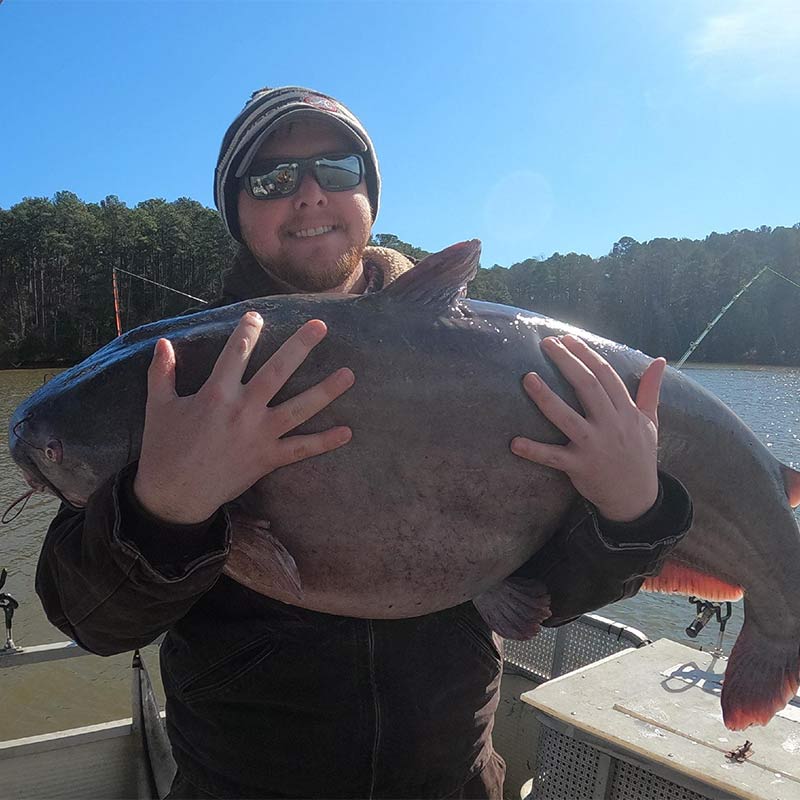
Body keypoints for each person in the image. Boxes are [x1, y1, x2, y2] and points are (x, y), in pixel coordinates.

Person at [36, 86, 692, 799]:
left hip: (455, 783)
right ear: (235, 211)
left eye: (337, 169)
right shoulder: (178, 376)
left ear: (369, 192)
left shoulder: (489, 361)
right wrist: (161, 511)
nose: (310, 194)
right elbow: (93, 619)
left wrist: (635, 514)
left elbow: (549, 595)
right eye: (272, 179)